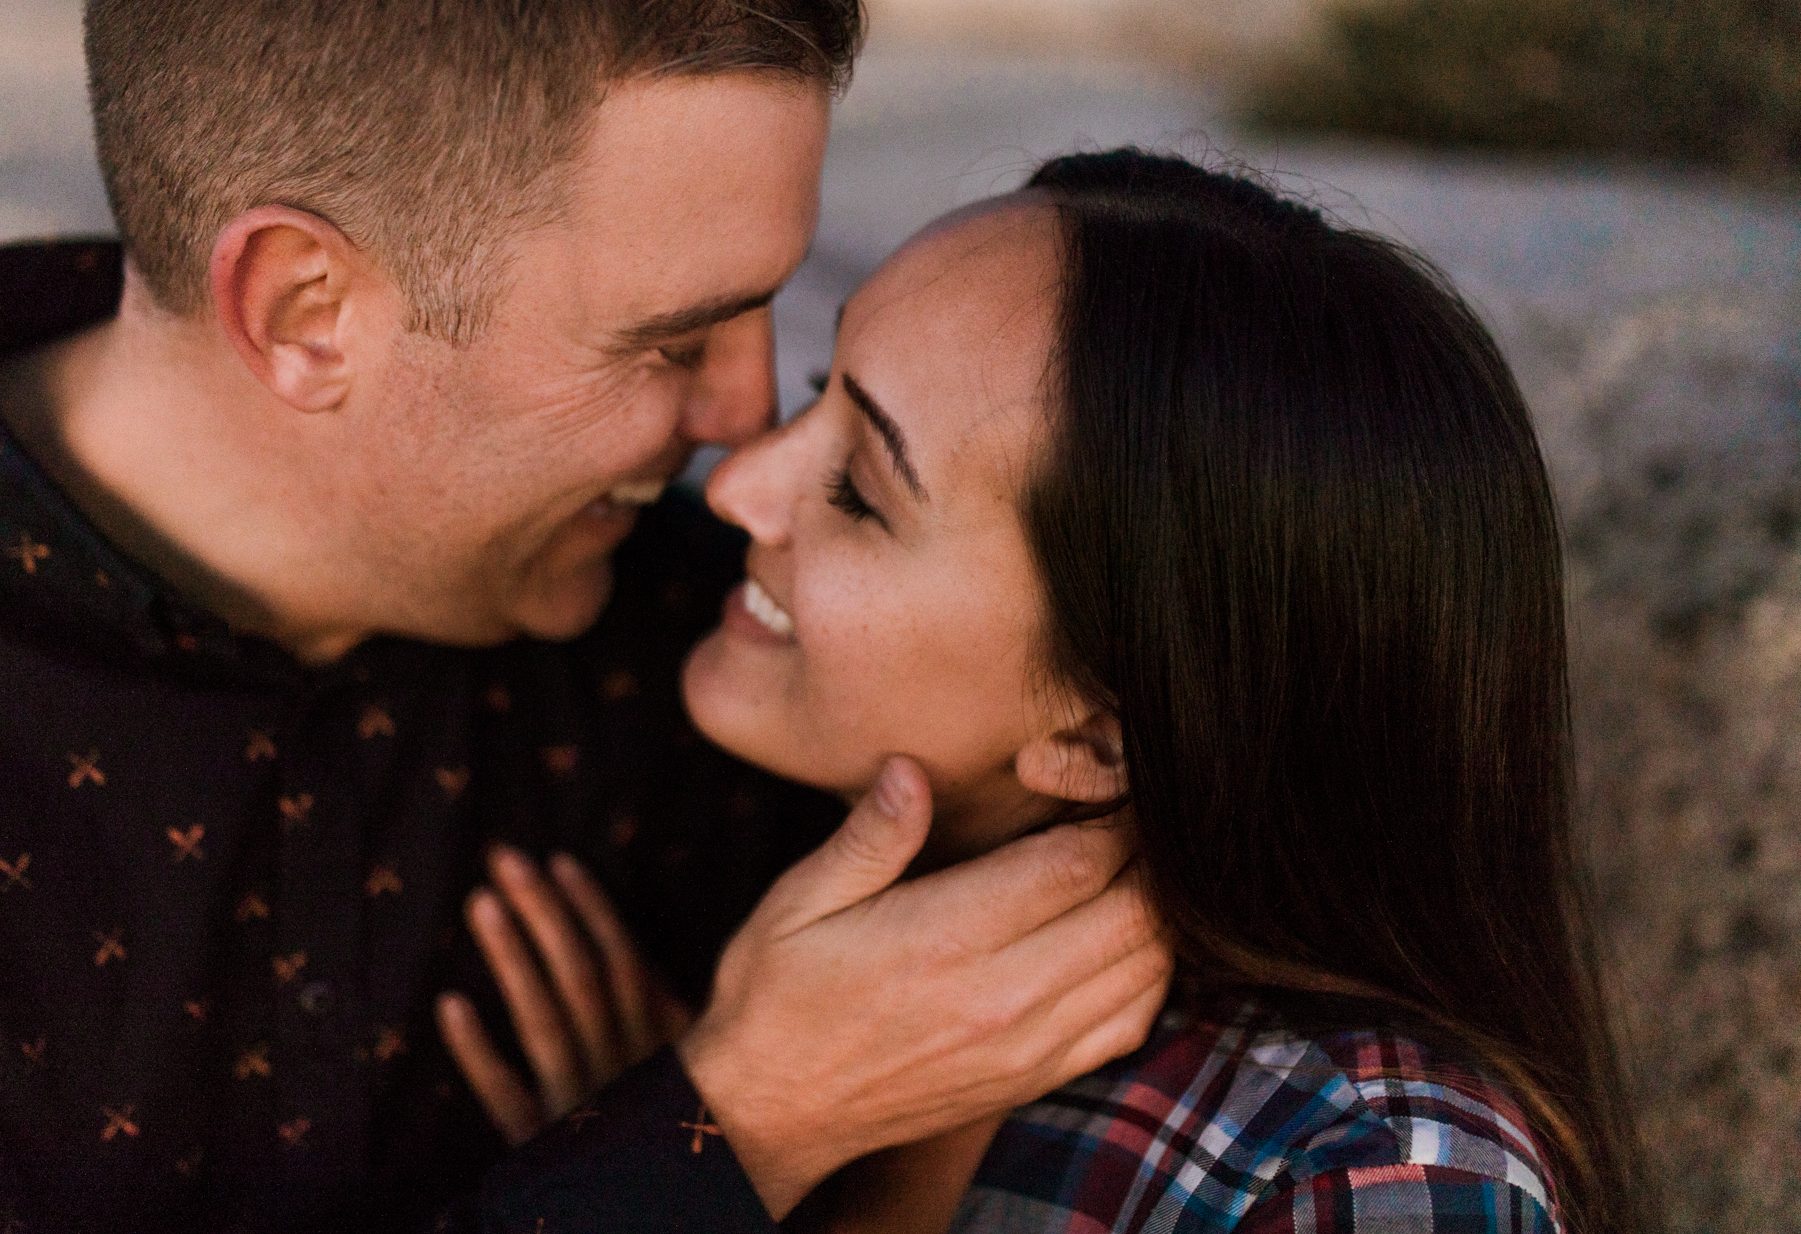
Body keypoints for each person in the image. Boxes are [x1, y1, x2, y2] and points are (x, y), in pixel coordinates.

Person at [0, 0, 1171, 1231]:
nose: (744, 417)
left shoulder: (720, 641)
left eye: (768, 315)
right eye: (673, 342)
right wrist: (738, 1124)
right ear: (306, 313)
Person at [453, 152, 1647, 1233]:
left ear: (1098, 731)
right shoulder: (738, 922)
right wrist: (678, 1159)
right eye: (820, 392)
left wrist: (712, 1139)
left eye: (862, 492)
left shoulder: (1358, 1176)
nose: (737, 486)